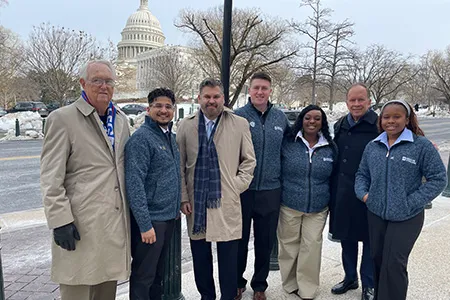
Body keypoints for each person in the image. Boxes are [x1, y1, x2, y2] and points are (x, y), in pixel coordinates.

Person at [40, 60, 131, 300]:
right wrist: (60, 221)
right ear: (83, 84)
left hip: (112, 227)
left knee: (106, 293)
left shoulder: (121, 121)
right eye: (97, 80)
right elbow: (51, 178)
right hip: (80, 226)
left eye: (109, 81)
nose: (104, 86)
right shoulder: (63, 119)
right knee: (77, 291)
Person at [355, 99, 447, 300]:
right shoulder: (373, 146)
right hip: (377, 213)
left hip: (407, 216)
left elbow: (438, 179)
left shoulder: (420, 146)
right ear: (381, 120)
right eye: (386, 117)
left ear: (406, 119)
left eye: (397, 117)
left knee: (394, 263)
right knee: (377, 260)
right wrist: (364, 195)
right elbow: (362, 174)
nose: (391, 121)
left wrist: (411, 201)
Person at [176, 78, 256, 300]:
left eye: (216, 96)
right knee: (200, 258)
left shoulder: (239, 124)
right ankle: (207, 297)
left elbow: (249, 161)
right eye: (207, 97)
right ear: (199, 98)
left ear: (223, 98)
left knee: (228, 259)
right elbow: (179, 165)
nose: (211, 101)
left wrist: (236, 186)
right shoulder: (185, 125)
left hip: (226, 200)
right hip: (196, 202)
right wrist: (183, 197)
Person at [234, 72, 290, 300]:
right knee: (238, 240)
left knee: (265, 242)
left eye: (264, 88)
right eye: (256, 88)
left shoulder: (280, 119)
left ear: (270, 91)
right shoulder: (237, 117)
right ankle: (237, 282)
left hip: (270, 190)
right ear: (250, 89)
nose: (260, 92)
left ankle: (260, 285)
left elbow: (288, 150)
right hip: (243, 190)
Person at [125, 88, 180, 300]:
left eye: (168, 106)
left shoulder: (169, 137)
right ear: (148, 109)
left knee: (158, 274)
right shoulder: (142, 139)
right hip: (151, 221)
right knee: (143, 275)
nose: (163, 110)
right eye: (158, 106)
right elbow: (135, 184)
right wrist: (145, 225)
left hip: (168, 218)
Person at [278, 105, 337, 299]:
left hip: (318, 207)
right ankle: (289, 283)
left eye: (317, 119)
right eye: (308, 118)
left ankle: (307, 288)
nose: (312, 122)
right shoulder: (289, 143)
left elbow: (334, 177)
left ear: (322, 122)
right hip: (290, 204)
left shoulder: (330, 146)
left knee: (311, 247)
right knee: (288, 246)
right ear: (301, 120)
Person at [329, 83, 377, 300]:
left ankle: (369, 283)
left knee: (369, 240)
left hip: (368, 193)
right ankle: (350, 277)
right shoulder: (341, 124)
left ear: (368, 101)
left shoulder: (378, 125)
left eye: (361, 100)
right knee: (346, 237)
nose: (356, 104)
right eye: (352, 100)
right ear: (347, 102)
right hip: (343, 191)